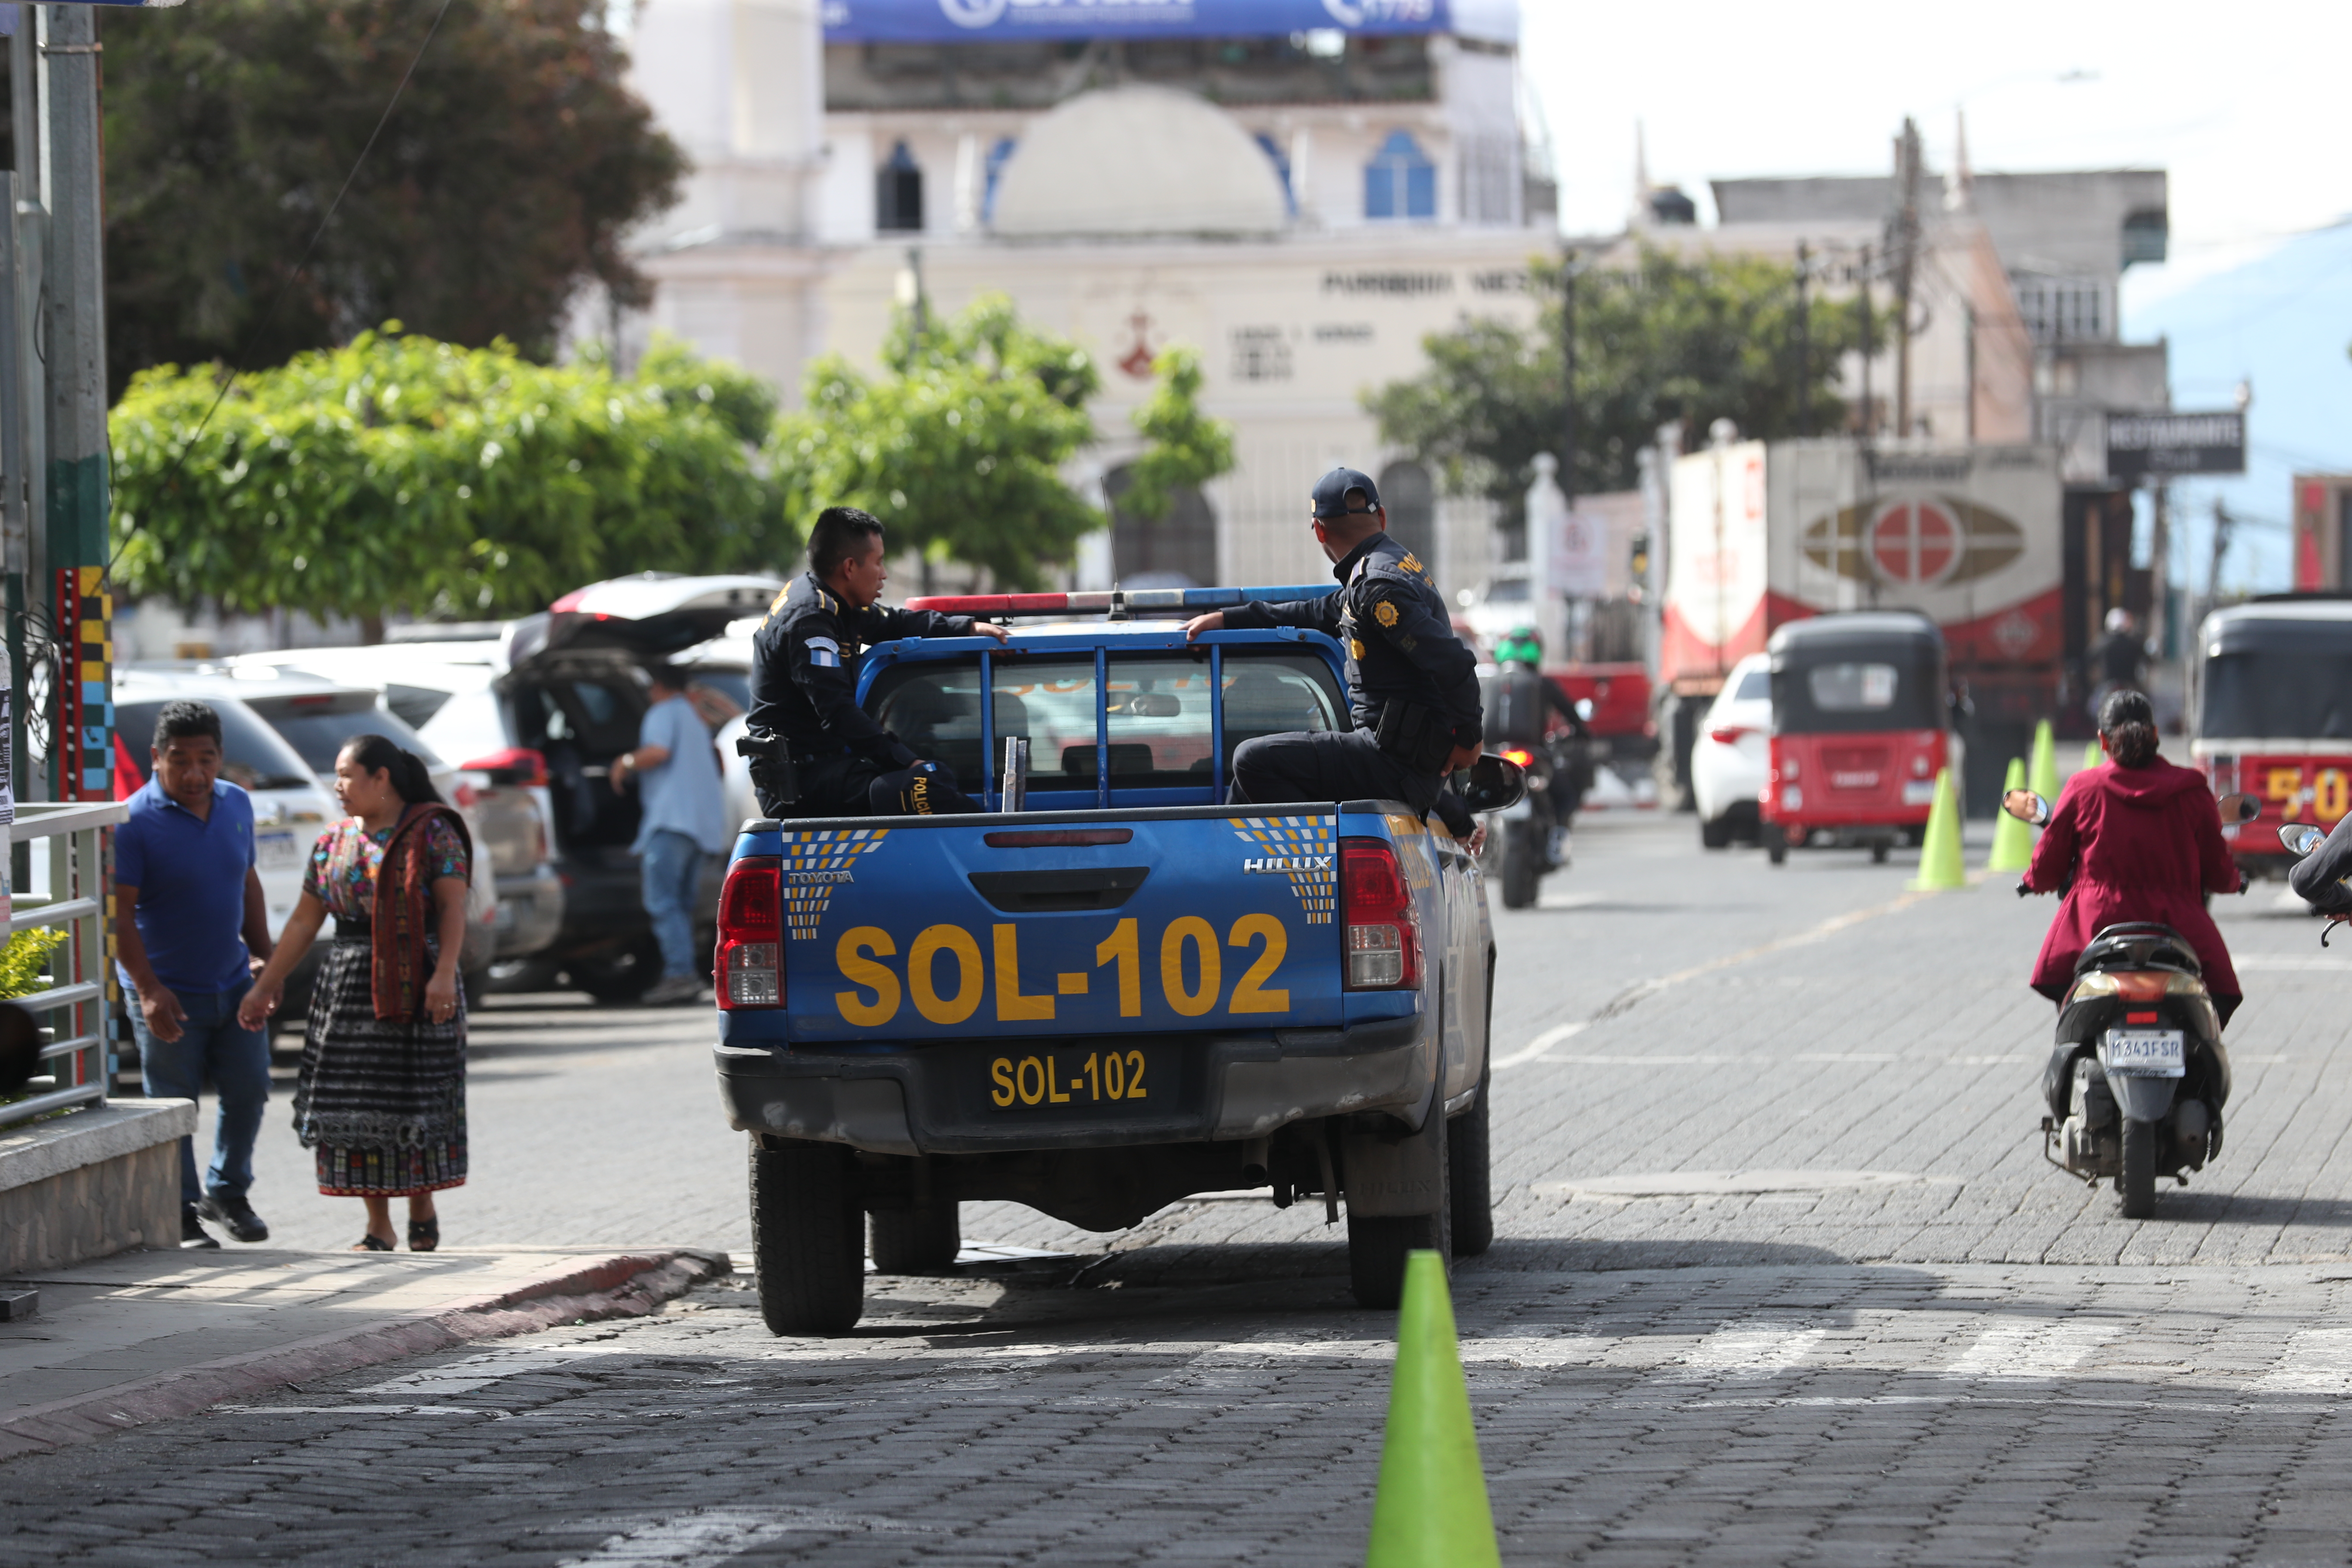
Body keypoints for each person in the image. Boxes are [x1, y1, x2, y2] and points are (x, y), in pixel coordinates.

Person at [239, 736, 472, 1253]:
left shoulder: (433, 833)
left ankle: (422, 1204)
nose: (338, 787)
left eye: (346, 775)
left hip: (420, 980)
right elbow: (304, 921)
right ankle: (378, 1226)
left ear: (381, 778)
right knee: (357, 1104)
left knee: (417, 1100)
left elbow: (454, 909)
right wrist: (266, 985)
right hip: (348, 986)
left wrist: (444, 975)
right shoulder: (333, 842)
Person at [1183, 466, 1482, 823]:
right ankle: (1232, 871)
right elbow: (1317, 611)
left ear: (1320, 530)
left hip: (1391, 762)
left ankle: (1315, 857)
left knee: (1251, 760)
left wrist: (1470, 741)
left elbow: (1455, 663)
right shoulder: (1387, 567)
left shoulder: (1376, 585)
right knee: (1245, 785)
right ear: (1382, 517)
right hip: (1396, 760)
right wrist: (1228, 619)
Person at [115, 701, 277, 1249]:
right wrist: (149, 990)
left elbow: (247, 883)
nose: (194, 773)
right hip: (168, 991)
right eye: (180, 761)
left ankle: (227, 1192)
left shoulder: (237, 804)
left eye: (206, 760)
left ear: (220, 759)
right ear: (157, 758)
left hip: (233, 982)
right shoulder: (133, 822)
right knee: (175, 1105)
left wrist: (266, 963)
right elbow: (118, 918)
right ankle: (180, 1210)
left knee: (250, 1088)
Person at [745, 506, 1011, 818]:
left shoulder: (834, 604)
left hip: (829, 768)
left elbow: (896, 623)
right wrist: (906, 761)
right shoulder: (809, 619)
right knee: (928, 789)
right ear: (849, 568)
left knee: (932, 783)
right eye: (879, 562)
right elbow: (839, 712)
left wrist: (968, 628)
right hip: (804, 783)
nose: (884, 573)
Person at [2021, 689, 2243, 1027]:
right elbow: (2217, 864)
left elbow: (2050, 859)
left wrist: (2032, 881)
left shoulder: (2084, 787)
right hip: (2178, 922)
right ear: (2155, 734)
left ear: (2103, 741)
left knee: (2068, 1004)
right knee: (2218, 996)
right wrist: (2232, 882)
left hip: (2094, 922)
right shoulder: (2191, 788)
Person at [612, 664, 729, 1006]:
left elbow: (657, 752)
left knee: (664, 903)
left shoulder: (663, 712)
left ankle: (679, 975)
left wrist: (625, 763)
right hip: (703, 827)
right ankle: (688, 971)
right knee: (683, 905)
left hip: (672, 823)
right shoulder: (695, 717)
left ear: (658, 687)